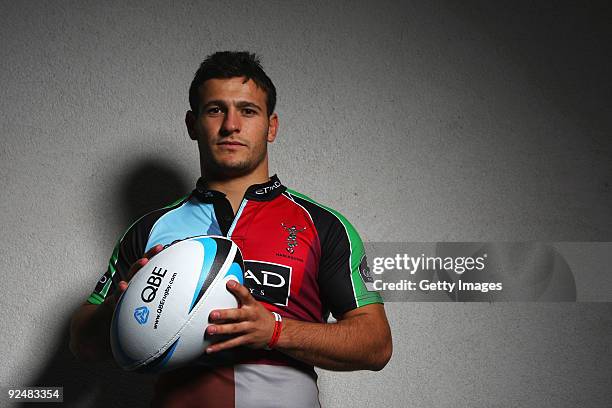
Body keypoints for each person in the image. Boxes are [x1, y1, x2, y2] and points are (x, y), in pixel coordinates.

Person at [70, 51, 392, 408]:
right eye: (215, 110)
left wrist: (274, 331)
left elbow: (376, 343)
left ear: (271, 126)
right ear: (193, 124)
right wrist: (120, 307)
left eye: (248, 111)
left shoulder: (323, 225)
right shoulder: (149, 229)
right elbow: (82, 342)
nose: (231, 125)